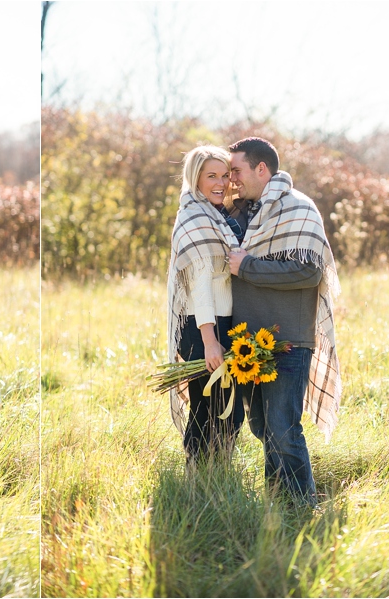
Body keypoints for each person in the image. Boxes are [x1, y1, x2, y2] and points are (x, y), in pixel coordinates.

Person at [227, 137, 341, 506]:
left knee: (282, 428)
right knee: (262, 426)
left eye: (237, 170)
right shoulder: (239, 213)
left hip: (287, 340)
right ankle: (279, 503)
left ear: (262, 169)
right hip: (248, 342)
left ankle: (303, 507)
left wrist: (248, 267)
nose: (231, 179)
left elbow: (309, 272)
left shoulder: (299, 208)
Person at [167, 146, 246, 465]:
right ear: (194, 178)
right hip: (203, 325)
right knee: (208, 408)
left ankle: (217, 475)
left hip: (221, 321)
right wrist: (210, 340)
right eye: (211, 175)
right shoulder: (196, 215)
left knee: (224, 408)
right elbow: (199, 283)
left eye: (225, 175)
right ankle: (197, 480)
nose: (221, 183)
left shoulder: (215, 215)